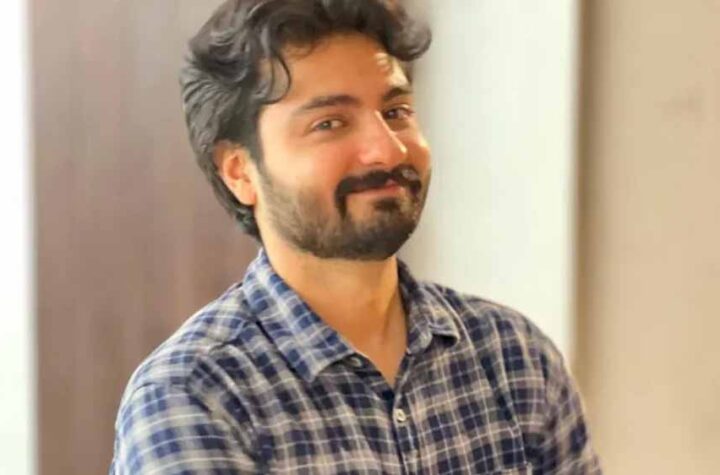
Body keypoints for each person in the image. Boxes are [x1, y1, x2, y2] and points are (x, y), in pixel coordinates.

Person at [110, 0, 601, 473]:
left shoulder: (515, 357)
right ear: (239, 171)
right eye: (329, 123)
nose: (387, 150)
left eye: (396, 111)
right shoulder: (192, 397)